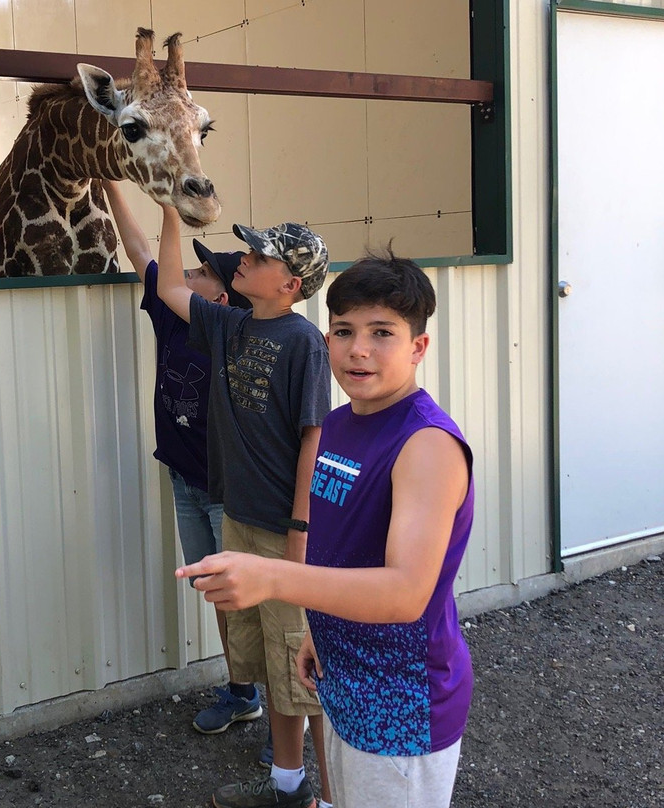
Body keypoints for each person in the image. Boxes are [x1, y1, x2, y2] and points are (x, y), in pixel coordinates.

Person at [177, 249, 475, 808]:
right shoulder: (338, 426)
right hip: (340, 678)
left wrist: (273, 578)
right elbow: (344, 551)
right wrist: (320, 629)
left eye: (382, 332)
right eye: (343, 331)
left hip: (401, 705)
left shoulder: (427, 446)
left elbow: (406, 592)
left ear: (418, 347)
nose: (358, 349)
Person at [155, 202, 333, 808]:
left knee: (296, 665)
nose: (245, 260)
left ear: (290, 284)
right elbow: (169, 285)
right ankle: (286, 785)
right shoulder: (230, 326)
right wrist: (170, 214)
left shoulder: (306, 343)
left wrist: (301, 530)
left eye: (260, 257)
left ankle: (323, 792)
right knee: (261, 656)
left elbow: (314, 436)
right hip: (238, 518)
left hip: (286, 532)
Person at [102, 181, 264, 736]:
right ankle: (242, 691)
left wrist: (172, 208)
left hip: (227, 492)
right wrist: (113, 186)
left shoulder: (234, 338)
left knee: (253, 603)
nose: (183, 277)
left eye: (198, 275)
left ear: (218, 301)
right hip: (185, 480)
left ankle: (279, 718)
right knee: (219, 593)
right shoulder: (173, 319)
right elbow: (141, 251)